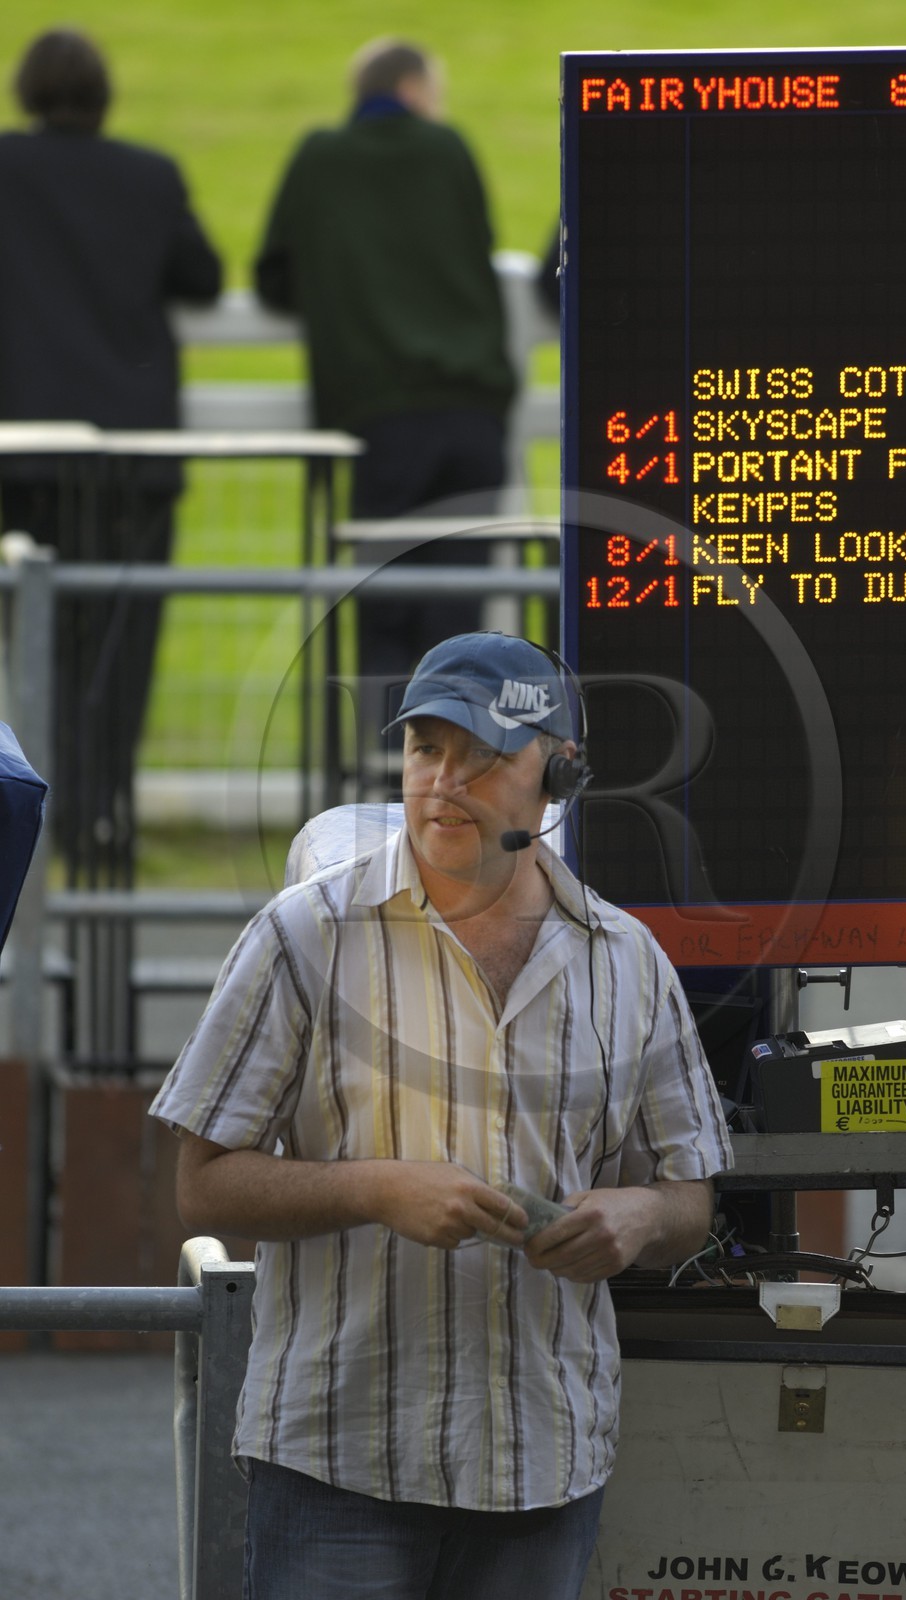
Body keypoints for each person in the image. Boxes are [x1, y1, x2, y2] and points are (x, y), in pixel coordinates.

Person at [151, 630, 732, 1600]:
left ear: (559, 777)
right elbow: (200, 1182)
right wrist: (379, 1188)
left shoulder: (626, 962)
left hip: (542, 1464)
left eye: (481, 756)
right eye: (426, 748)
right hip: (338, 1457)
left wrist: (633, 1221)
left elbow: (690, 1198)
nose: (442, 781)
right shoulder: (304, 935)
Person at [253, 39, 517, 764]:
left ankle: (385, 792)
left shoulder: (320, 158)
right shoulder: (448, 149)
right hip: (471, 410)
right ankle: (465, 785)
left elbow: (274, 275)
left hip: (379, 414)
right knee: (460, 619)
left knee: (385, 608)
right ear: (411, 87)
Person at [0, 28, 222, 877]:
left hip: (26, 455)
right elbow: (200, 276)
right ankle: (103, 823)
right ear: (104, 95)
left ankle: (44, 818)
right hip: (134, 455)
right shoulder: (150, 174)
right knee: (121, 650)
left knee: (41, 639)